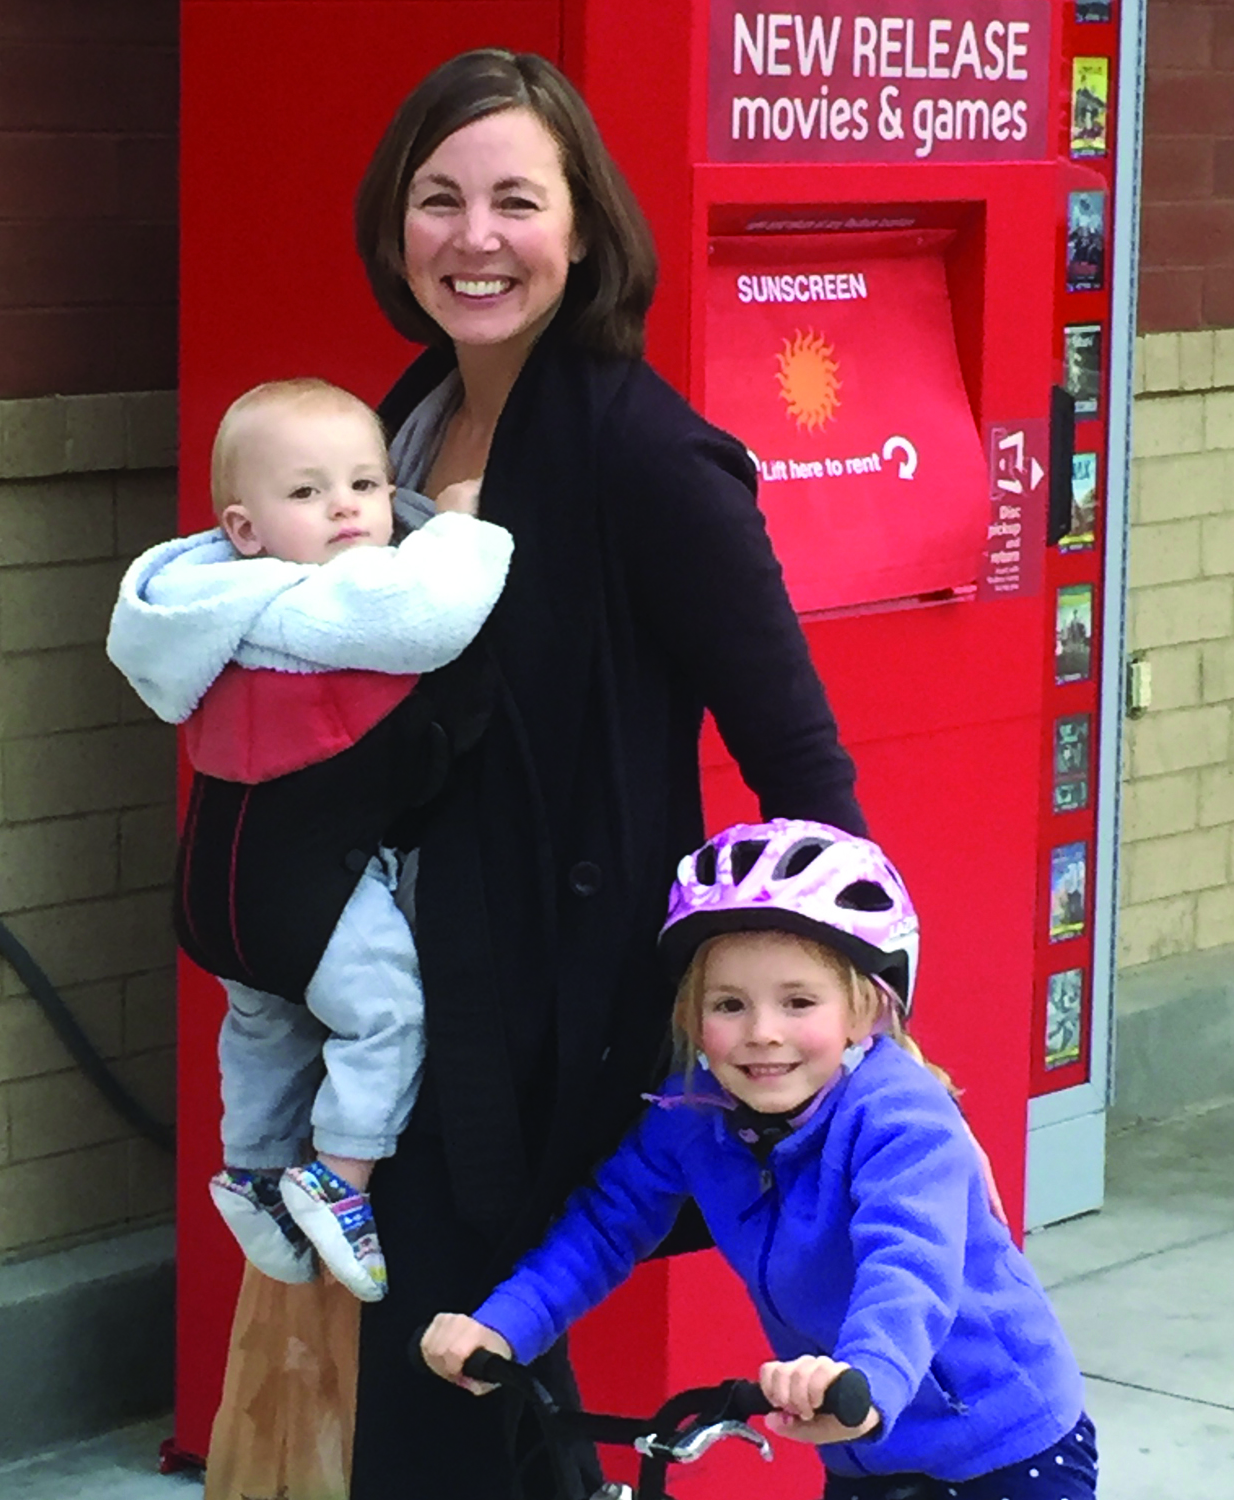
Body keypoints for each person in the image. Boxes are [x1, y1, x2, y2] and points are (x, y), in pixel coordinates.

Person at [344, 47, 867, 1499]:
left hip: (545, 1019)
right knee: (481, 1381)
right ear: (398, 228)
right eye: (438, 200)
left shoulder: (647, 456)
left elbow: (802, 760)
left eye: (517, 199)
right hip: (409, 1000)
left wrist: (845, 1024)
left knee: (436, 1394)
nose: (476, 237)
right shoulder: (400, 424)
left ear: (583, 232)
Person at [423, 820, 1098, 1500]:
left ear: (865, 1010)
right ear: (693, 1020)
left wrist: (865, 1377)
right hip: (861, 1447)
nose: (762, 1033)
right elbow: (606, 1223)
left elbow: (909, 1266)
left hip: (1000, 1443)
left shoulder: (901, 1119)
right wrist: (503, 1325)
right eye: (729, 1005)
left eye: (798, 1001)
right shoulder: (694, 1116)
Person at [106, 377, 513, 1302]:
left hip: (212, 890)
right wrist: (454, 521)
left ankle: (252, 1174)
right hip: (307, 893)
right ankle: (340, 1177)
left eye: (368, 485)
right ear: (245, 530)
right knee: (388, 1013)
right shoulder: (318, 607)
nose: (348, 509)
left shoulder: (203, 600)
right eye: (308, 493)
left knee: (265, 1024)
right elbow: (432, 614)